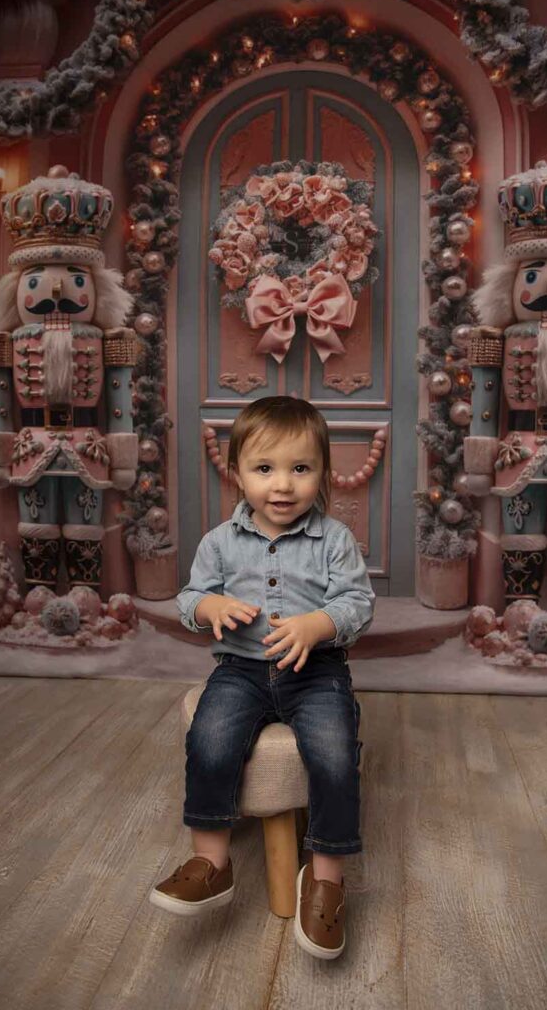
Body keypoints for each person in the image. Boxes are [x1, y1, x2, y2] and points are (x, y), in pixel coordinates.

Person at [150, 395, 375, 959]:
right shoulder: (220, 542)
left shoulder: (335, 541)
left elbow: (357, 602)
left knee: (332, 750)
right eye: (265, 468)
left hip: (315, 672)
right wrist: (211, 610)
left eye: (300, 469)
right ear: (238, 473)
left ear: (322, 473)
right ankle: (211, 861)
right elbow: (190, 597)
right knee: (211, 738)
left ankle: (325, 877)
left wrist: (318, 624)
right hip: (241, 672)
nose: (283, 485)